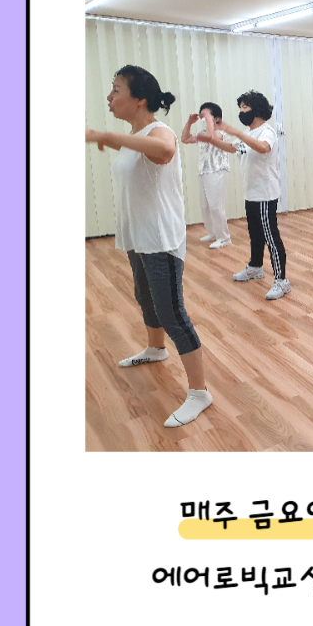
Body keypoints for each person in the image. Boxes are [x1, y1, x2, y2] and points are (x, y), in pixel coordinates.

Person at [85, 64, 213, 428]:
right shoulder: (135, 134)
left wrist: (106, 135)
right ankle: (156, 349)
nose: (109, 97)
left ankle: (200, 393)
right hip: (137, 236)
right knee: (145, 298)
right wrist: (112, 138)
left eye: (116, 90)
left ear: (140, 99)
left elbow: (165, 151)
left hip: (160, 239)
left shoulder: (162, 131)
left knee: (172, 313)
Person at [214, 90, 290, 300]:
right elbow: (232, 148)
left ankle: (282, 280)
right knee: (255, 234)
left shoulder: (267, 132)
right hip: (251, 193)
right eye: (240, 108)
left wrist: (237, 133)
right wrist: (209, 139)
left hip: (265, 194)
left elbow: (263, 148)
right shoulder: (249, 133)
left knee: (271, 237)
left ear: (256, 110)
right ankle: (256, 267)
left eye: (245, 107)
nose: (241, 111)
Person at [180, 102, 233, 249]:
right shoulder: (202, 133)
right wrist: (189, 123)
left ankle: (224, 237)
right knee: (205, 206)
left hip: (217, 171)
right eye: (202, 116)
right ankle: (213, 233)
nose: (203, 119)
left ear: (216, 118)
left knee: (216, 206)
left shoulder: (221, 133)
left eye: (206, 116)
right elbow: (185, 139)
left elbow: (211, 137)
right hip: (203, 171)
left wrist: (209, 119)